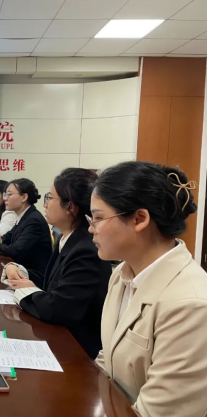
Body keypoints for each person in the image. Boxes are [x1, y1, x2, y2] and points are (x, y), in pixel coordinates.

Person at [90, 161, 207, 417]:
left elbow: (158, 412)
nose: (91, 228)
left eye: (98, 218)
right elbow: (107, 360)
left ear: (139, 219)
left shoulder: (192, 304)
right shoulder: (121, 274)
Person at [3, 168, 111, 358]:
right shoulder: (67, 238)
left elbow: (59, 308)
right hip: (59, 339)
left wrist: (23, 291)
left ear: (70, 206)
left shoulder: (86, 249)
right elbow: (51, 281)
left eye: (50, 197)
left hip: (75, 352)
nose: (44, 204)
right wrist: (16, 269)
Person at [0, 178, 51, 275]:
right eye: (5, 194)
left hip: (33, 276)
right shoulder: (24, 216)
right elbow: (7, 238)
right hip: (21, 271)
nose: (5, 198)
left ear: (24, 197)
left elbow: (16, 251)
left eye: (9, 194)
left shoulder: (34, 220)